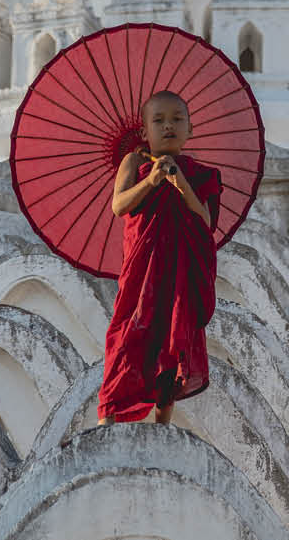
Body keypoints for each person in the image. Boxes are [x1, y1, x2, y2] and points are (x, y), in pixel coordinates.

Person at [97, 89, 222, 425]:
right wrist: (151, 181)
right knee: (129, 333)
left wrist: (180, 183)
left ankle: (162, 420)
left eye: (177, 119)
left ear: (190, 129)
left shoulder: (199, 174)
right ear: (144, 132)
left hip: (179, 270)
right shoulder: (135, 162)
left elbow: (205, 222)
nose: (169, 126)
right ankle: (108, 415)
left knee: (173, 335)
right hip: (142, 267)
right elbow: (119, 205)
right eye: (159, 120)